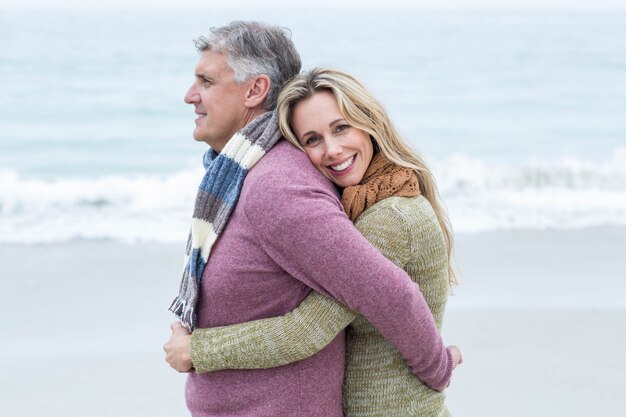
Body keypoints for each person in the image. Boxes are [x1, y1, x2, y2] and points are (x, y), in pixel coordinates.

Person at [163, 21, 460, 417]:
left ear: (255, 89)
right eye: (312, 139)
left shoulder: (279, 187)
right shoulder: (248, 172)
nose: (190, 95)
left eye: (206, 81)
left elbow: (364, 303)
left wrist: (437, 368)